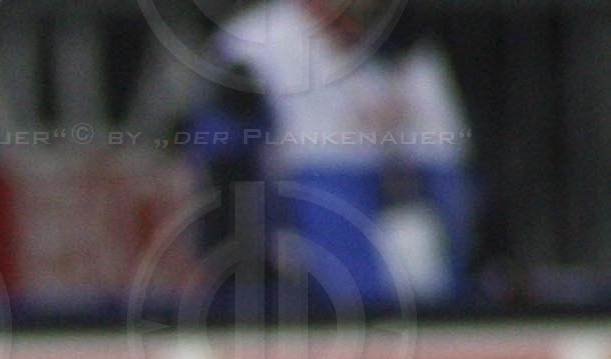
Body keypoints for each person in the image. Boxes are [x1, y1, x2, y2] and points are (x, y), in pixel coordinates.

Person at [183, 0, 475, 311]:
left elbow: (447, 152)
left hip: (410, 184)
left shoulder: (407, 39)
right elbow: (222, 156)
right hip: (310, 185)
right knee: (332, 212)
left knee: (440, 233)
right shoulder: (252, 42)